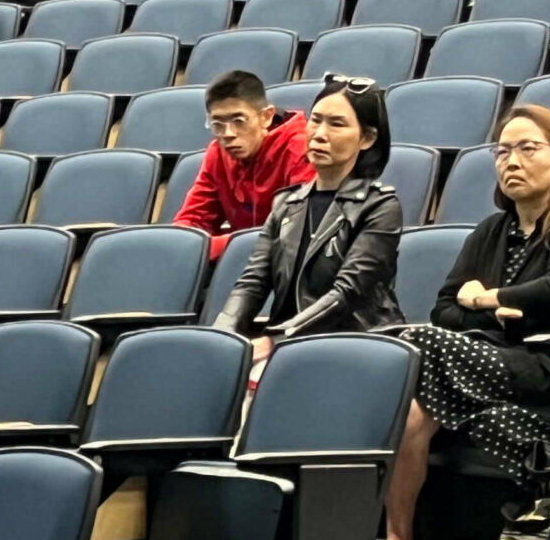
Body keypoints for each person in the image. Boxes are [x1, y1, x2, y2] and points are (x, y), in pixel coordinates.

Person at [377, 107, 550, 540]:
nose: (511, 160)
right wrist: (500, 312)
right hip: (487, 364)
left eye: (528, 148)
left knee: (412, 342)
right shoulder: (493, 229)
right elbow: (446, 307)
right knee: (411, 411)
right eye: (503, 151)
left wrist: (488, 299)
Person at [213, 75, 405, 360]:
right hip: (288, 347)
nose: (319, 133)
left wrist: (276, 340)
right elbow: (252, 283)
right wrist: (221, 338)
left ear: (367, 138)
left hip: (355, 346)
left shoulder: (380, 207)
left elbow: (345, 293)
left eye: (336, 124)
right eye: (315, 120)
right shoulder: (285, 203)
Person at [170, 70, 313, 257]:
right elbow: (192, 221)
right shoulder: (218, 153)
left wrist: (211, 247)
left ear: (266, 117)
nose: (228, 133)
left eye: (239, 121)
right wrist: (181, 244)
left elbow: (294, 232)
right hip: (243, 264)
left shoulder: (301, 149)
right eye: (218, 124)